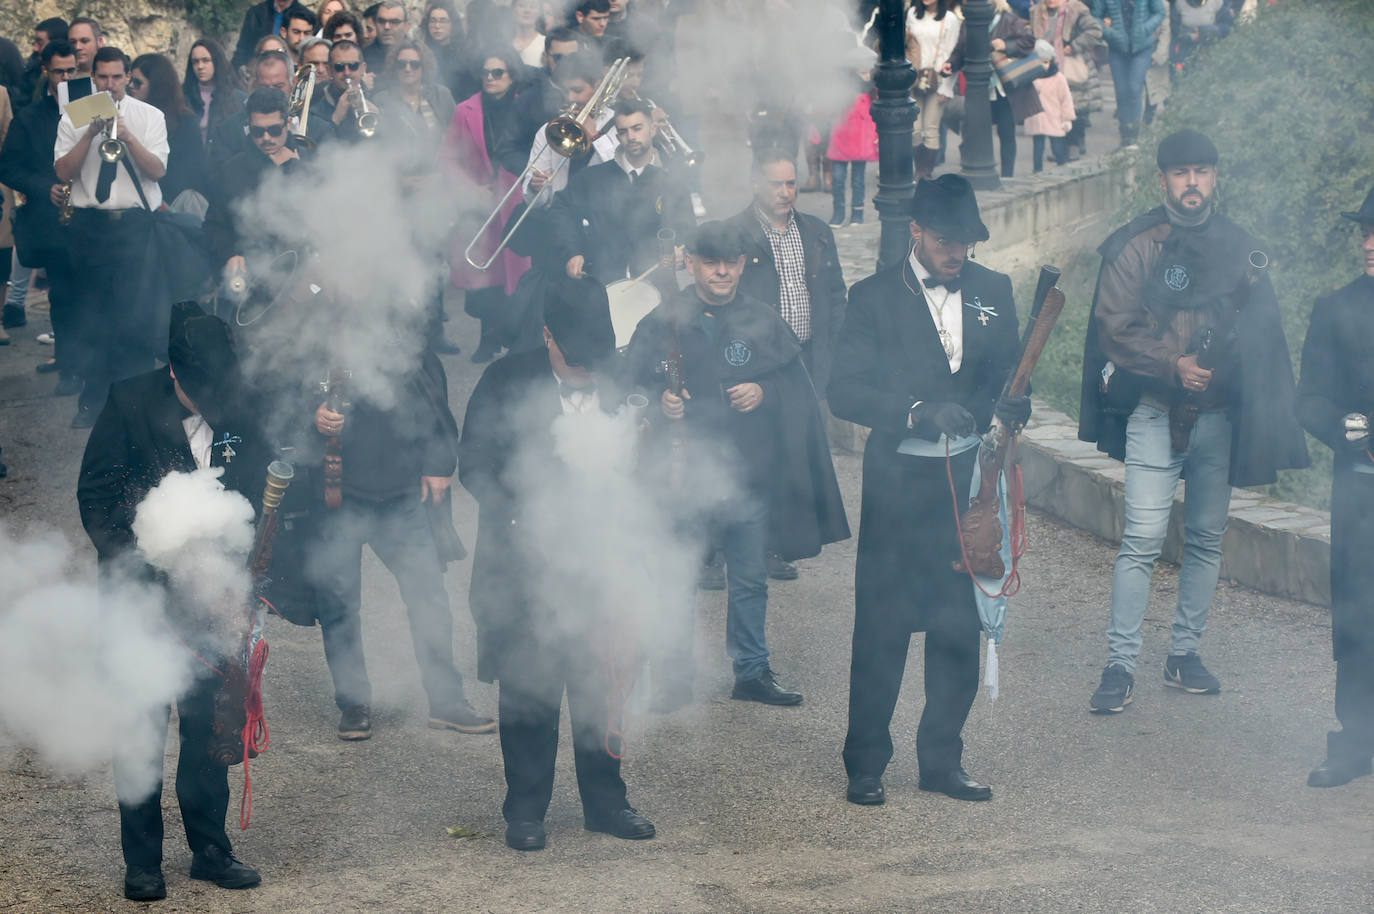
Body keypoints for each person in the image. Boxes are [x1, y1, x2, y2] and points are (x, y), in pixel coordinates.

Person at [1078, 129, 1308, 713]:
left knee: (1206, 539)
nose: (1192, 183)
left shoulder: (1241, 248)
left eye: (1202, 172)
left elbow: (1263, 338)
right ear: (1163, 181)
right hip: (1155, 413)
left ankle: (1184, 655)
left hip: (1219, 418)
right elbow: (1116, 326)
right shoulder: (1135, 245)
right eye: (1181, 173)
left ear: (1215, 178)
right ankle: (1119, 665)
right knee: (1142, 541)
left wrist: (1231, 373)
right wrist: (1174, 364)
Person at [830, 175, 1025, 807]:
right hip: (899, 484)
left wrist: (1013, 408)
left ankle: (941, 759)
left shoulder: (994, 290)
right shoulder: (872, 297)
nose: (957, 252)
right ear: (915, 231)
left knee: (956, 627)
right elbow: (844, 391)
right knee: (882, 629)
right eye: (946, 239)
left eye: (966, 241)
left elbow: (1011, 373)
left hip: (969, 483)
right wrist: (914, 410)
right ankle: (865, 761)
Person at [459, 275, 657, 851]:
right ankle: (525, 810)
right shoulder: (504, 380)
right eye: (576, 361)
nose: (588, 373)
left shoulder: (622, 381)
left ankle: (605, 801)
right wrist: (529, 520)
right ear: (546, 335)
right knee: (529, 690)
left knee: (603, 683)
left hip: (603, 561)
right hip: (523, 565)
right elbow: (475, 464)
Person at [78, 301, 266, 902]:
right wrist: (156, 554)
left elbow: (262, 493)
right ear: (175, 373)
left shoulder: (240, 403)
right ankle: (142, 861)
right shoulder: (128, 402)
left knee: (209, 730)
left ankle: (211, 850)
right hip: (144, 601)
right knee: (140, 732)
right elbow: (99, 501)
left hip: (214, 603)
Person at [623, 221, 849, 708]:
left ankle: (751, 671)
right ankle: (674, 677)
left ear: (744, 265)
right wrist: (657, 404)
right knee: (677, 579)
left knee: (749, 579)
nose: (721, 271)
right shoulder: (661, 322)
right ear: (691, 263)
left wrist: (765, 390)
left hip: (748, 476)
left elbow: (801, 392)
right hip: (682, 476)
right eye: (710, 262)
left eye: (730, 263)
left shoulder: (764, 320)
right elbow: (627, 389)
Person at [306, 320, 494, 741]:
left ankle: (446, 701)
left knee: (429, 600)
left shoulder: (409, 347)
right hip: (338, 498)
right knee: (339, 606)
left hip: (401, 496)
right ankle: (353, 702)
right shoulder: (319, 345)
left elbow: (437, 410)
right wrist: (312, 417)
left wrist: (439, 464)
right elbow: (283, 407)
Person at [727, 149, 848, 582]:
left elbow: (836, 294)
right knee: (750, 454)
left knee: (792, 454)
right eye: (776, 183)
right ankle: (730, 546)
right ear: (757, 184)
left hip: (805, 359)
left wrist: (828, 354)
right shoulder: (735, 232)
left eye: (791, 183)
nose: (785, 192)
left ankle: (777, 545)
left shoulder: (816, 231)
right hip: (755, 362)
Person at [1295, 186, 1374, 789]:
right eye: (1365, 233)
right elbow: (1311, 400)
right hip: (1362, 492)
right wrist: (1354, 433)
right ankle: (1354, 741)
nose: (1369, 245)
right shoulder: (1336, 308)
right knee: (1357, 614)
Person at [54, 46, 169, 430]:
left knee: (135, 317)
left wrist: (127, 134)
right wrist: (90, 131)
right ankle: (93, 402)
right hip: (91, 226)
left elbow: (156, 172)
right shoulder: (76, 114)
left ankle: (134, 404)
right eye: (102, 78)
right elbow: (64, 171)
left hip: (135, 226)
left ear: (128, 77)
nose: (109, 85)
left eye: (117, 78)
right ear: (93, 78)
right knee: (93, 316)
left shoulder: (149, 115)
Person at [0, 40, 80, 393]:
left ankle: (89, 363)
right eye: (59, 71)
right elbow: (9, 166)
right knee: (62, 294)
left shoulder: (90, 106)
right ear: (46, 70)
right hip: (54, 219)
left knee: (89, 293)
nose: (65, 78)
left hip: (91, 215)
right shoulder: (31, 117)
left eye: (71, 71)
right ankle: (68, 364)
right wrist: (42, 186)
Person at [546, 98, 693, 287]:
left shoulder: (673, 184)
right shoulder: (592, 178)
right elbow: (561, 210)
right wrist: (572, 252)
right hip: (601, 287)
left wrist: (681, 252)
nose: (630, 137)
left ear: (653, 130)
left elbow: (690, 234)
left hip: (659, 291)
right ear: (617, 137)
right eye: (623, 132)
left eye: (637, 128)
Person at [443, 48, 531, 363]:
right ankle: (488, 340)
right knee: (484, 277)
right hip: (479, 205)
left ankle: (521, 339)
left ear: (512, 76)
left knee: (519, 275)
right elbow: (449, 158)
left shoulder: (526, 106)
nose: (490, 79)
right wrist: (470, 190)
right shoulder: (464, 109)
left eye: (498, 73)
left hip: (517, 202)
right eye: (486, 73)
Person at [375, 38, 460, 355]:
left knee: (435, 266)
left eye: (415, 64)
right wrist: (399, 181)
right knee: (402, 266)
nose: (408, 70)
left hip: (435, 193)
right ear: (394, 68)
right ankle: (404, 336)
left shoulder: (441, 96)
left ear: (425, 67)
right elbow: (375, 151)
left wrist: (441, 177)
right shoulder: (381, 101)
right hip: (399, 196)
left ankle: (435, 332)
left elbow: (456, 140)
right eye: (402, 64)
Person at [203, 87, 309, 276]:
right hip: (250, 275)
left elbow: (323, 222)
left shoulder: (309, 164)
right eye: (258, 131)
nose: (266, 138)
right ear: (248, 127)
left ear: (288, 123)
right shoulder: (230, 170)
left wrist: (292, 168)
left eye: (274, 130)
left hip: (302, 275)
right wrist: (230, 255)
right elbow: (214, 227)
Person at [130, 53, 207, 209]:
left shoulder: (185, 122)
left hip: (168, 208)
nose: (131, 86)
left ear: (157, 86)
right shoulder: (129, 115)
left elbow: (188, 174)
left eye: (138, 82)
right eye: (130, 80)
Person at [1029, 0, 1103, 161]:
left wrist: (1074, 45)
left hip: (1071, 63)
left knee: (1072, 105)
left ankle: (1074, 145)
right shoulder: (1036, 12)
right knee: (1051, 107)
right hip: (1045, 66)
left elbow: (1095, 30)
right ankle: (1060, 149)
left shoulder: (1075, 9)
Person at [1089, 0, 1166, 148]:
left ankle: (1134, 133)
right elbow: (1095, 17)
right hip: (1117, 46)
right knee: (1121, 90)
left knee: (1134, 88)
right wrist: (1108, 32)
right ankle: (1125, 133)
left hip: (1141, 47)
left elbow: (1160, 12)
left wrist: (1145, 29)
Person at [905, 0, 962, 180]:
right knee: (914, 128)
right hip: (914, 77)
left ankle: (925, 173)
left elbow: (952, 52)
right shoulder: (912, 13)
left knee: (930, 128)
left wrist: (946, 88)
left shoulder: (950, 19)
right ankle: (917, 169)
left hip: (937, 78)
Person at [209, 50, 296, 165]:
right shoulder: (228, 130)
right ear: (254, 84)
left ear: (293, 83)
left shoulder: (318, 128)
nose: (271, 93)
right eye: (264, 87)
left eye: (278, 86)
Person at [824, 72, 877, 227]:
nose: (864, 75)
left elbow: (875, 115)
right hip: (841, 138)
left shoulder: (872, 90)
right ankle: (838, 213)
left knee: (858, 181)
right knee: (838, 180)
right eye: (861, 71)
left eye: (867, 72)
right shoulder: (842, 88)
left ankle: (857, 213)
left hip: (860, 140)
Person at [183, 38, 245, 151]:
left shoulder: (238, 98)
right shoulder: (183, 97)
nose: (200, 66)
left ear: (216, 62)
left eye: (205, 60)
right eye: (195, 62)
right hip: (190, 164)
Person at [309, 39, 376, 144]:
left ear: (363, 68)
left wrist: (380, 120)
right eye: (339, 67)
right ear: (329, 71)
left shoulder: (378, 99)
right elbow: (314, 153)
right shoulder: (315, 110)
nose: (347, 72)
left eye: (353, 66)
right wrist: (335, 120)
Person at [1022, 40, 1075, 172]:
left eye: (1045, 62)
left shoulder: (1058, 78)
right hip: (1037, 118)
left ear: (1051, 61)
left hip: (1055, 118)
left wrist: (1067, 118)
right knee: (1038, 147)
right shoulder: (1031, 77)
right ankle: (1037, 171)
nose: (1043, 66)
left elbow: (1066, 99)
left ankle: (1062, 168)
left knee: (1057, 147)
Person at [233, 0, 314, 71]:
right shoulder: (256, 13)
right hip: (256, 71)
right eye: (296, 32)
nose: (301, 37)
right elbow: (243, 48)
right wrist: (239, 68)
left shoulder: (306, 16)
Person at [423, 0, 477, 102]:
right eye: (433, 21)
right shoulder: (422, 53)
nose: (437, 26)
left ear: (453, 23)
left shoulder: (466, 54)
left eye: (443, 20)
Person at [366, 0, 409, 79]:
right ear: (375, 24)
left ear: (407, 27)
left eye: (394, 22)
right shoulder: (362, 57)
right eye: (381, 21)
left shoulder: (419, 55)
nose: (387, 27)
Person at [511, 0, 547, 68]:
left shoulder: (545, 43)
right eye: (522, 6)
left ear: (539, 13)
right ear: (513, 10)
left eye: (533, 7)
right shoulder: (505, 43)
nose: (527, 10)